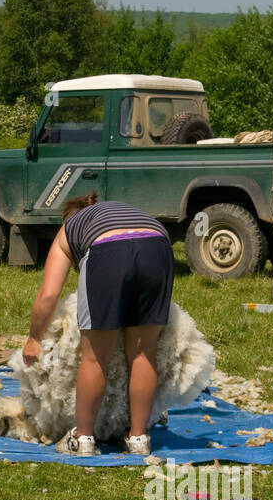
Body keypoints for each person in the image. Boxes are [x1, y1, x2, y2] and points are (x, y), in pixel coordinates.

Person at [21, 192, 174, 456]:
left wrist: (34, 338)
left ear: (69, 216)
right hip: (158, 247)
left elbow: (49, 294)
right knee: (143, 353)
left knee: (95, 358)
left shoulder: (68, 229)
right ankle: (138, 439)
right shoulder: (122, 211)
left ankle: (83, 439)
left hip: (108, 252)